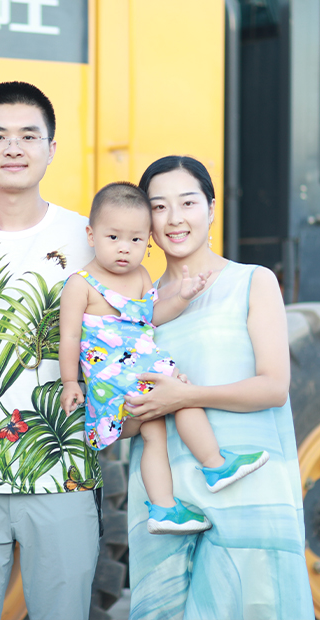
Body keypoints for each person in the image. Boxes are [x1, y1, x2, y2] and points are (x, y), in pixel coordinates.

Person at [0, 81, 101, 620]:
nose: (13, 148)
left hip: (64, 469)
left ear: (51, 149)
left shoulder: (89, 237)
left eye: (29, 136)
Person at [122, 156, 314, 619]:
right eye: (159, 207)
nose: (174, 218)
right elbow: (122, 422)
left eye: (188, 203)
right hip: (165, 500)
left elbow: (274, 387)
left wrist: (186, 397)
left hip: (247, 491)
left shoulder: (252, 281)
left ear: (211, 208)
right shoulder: (136, 309)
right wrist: (133, 409)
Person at [59, 181, 269, 536]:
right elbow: (69, 338)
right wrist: (69, 382)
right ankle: (215, 464)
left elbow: (152, 317)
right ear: (91, 235)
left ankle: (164, 507)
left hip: (141, 370)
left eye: (136, 240)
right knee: (181, 397)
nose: (124, 248)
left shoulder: (141, 276)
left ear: (148, 242)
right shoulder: (81, 284)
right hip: (116, 379)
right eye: (113, 237)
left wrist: (183, 297)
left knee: (155, 431)